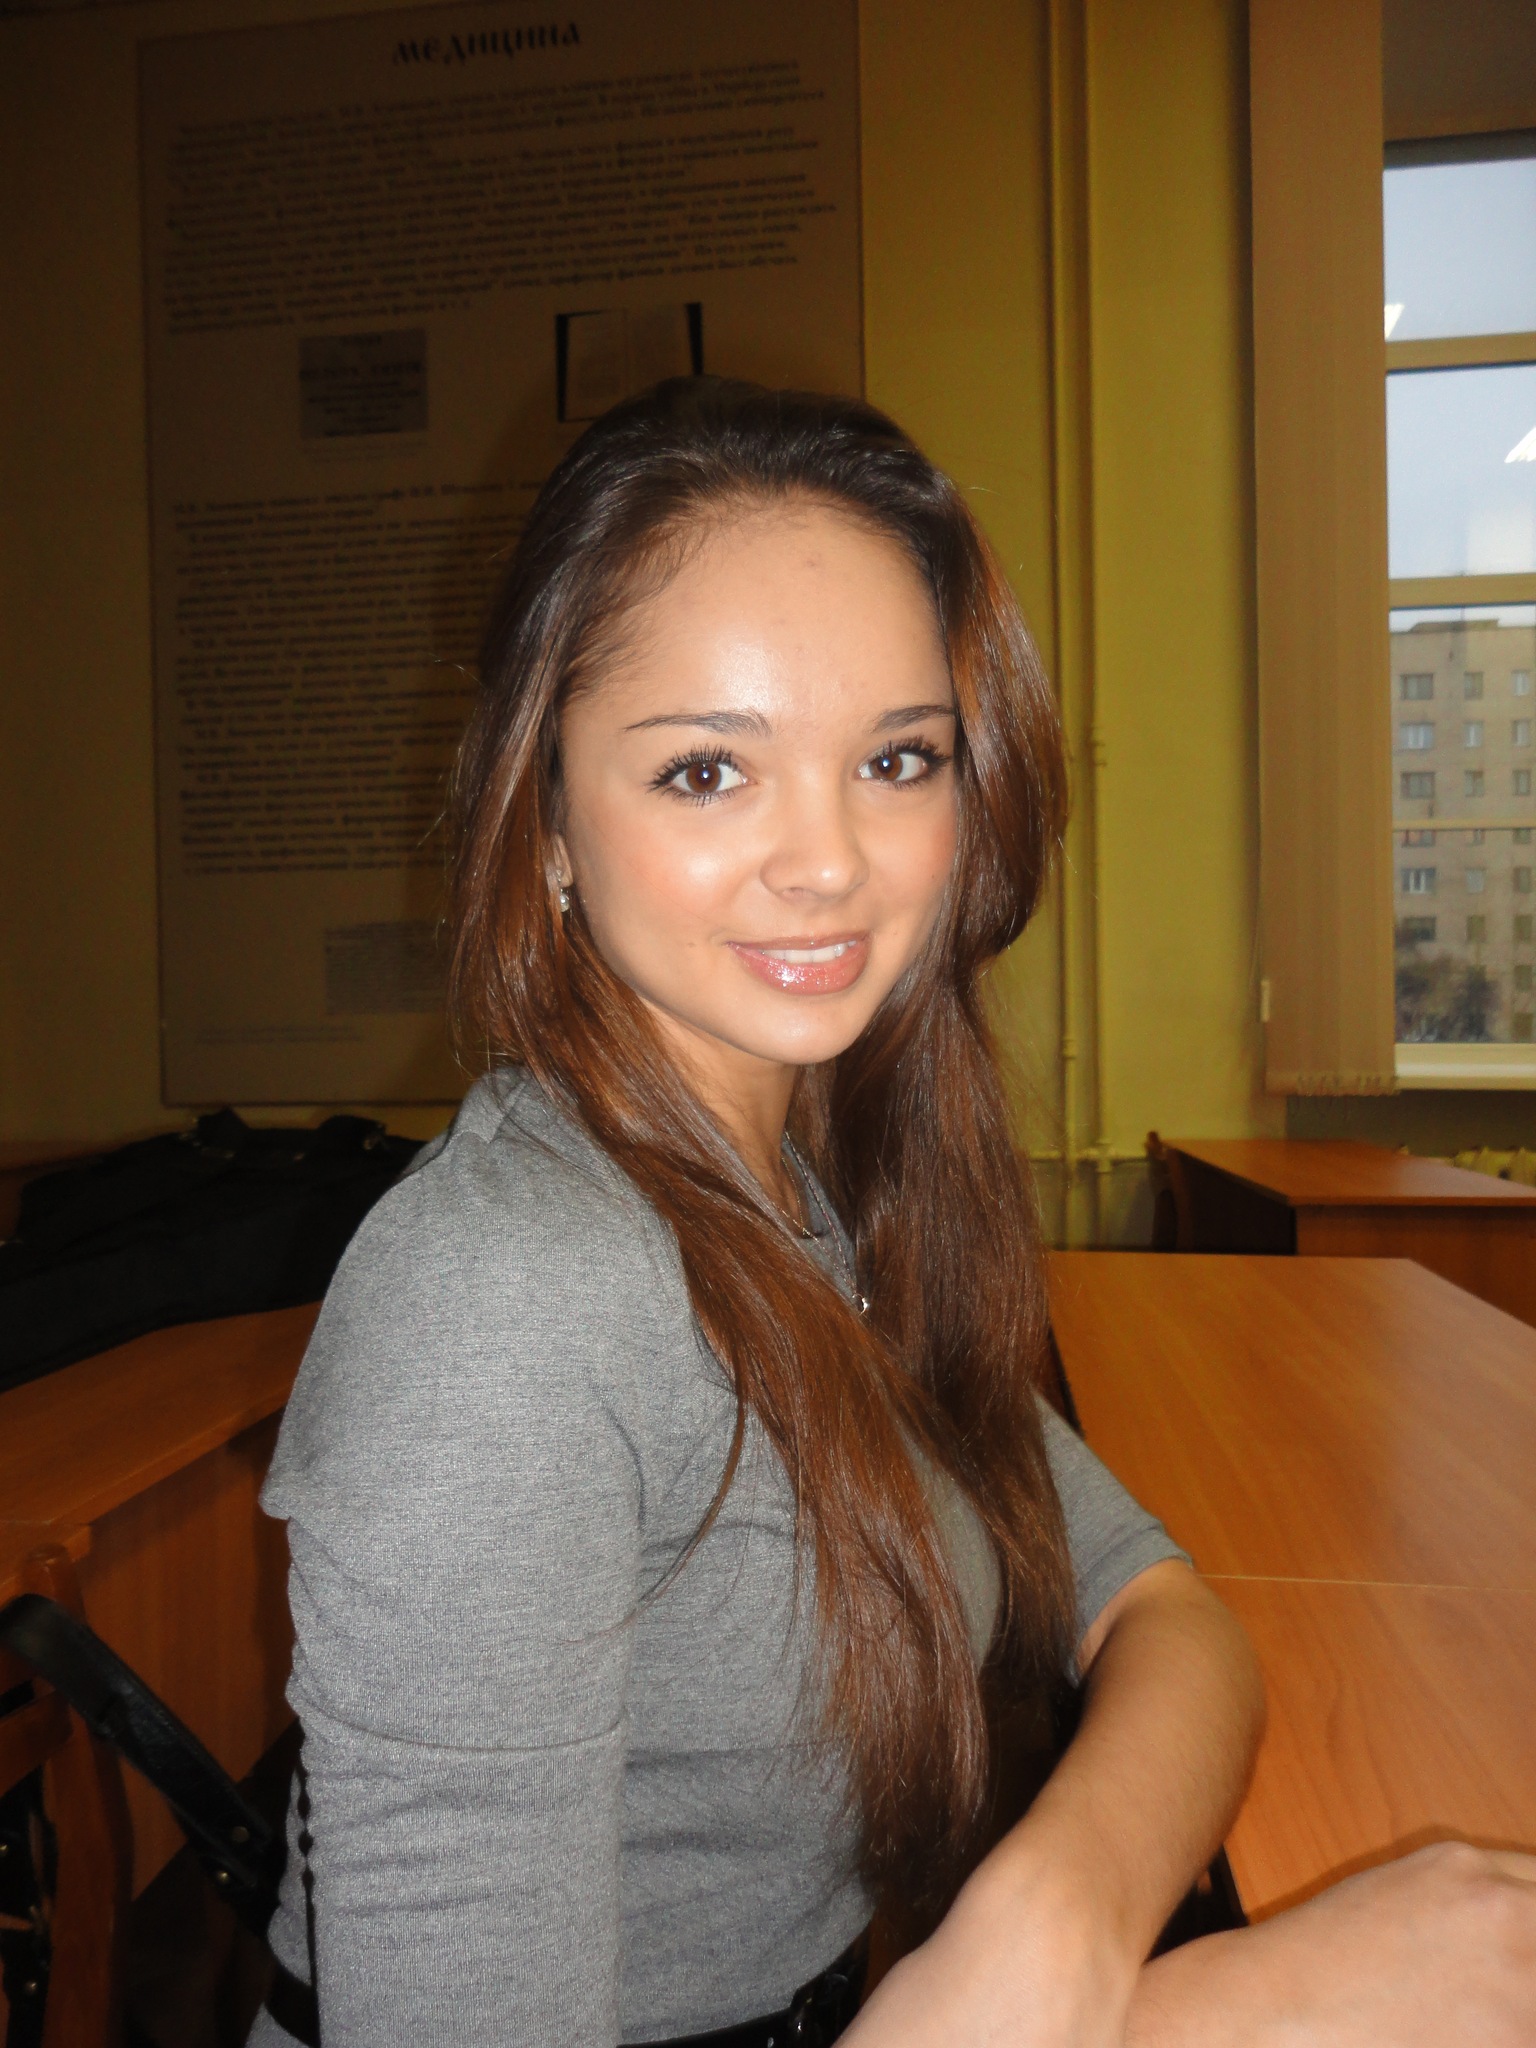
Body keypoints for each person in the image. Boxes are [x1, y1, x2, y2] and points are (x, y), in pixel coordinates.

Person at [249, 379, 1536, 2048]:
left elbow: (1158, 1605)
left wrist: (1049, 1931)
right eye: (707, 770)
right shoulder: (508, 1304)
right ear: (547, 819)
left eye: (897, 759)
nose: (832, 861)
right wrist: (1243, 2010)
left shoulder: (801, 1201)